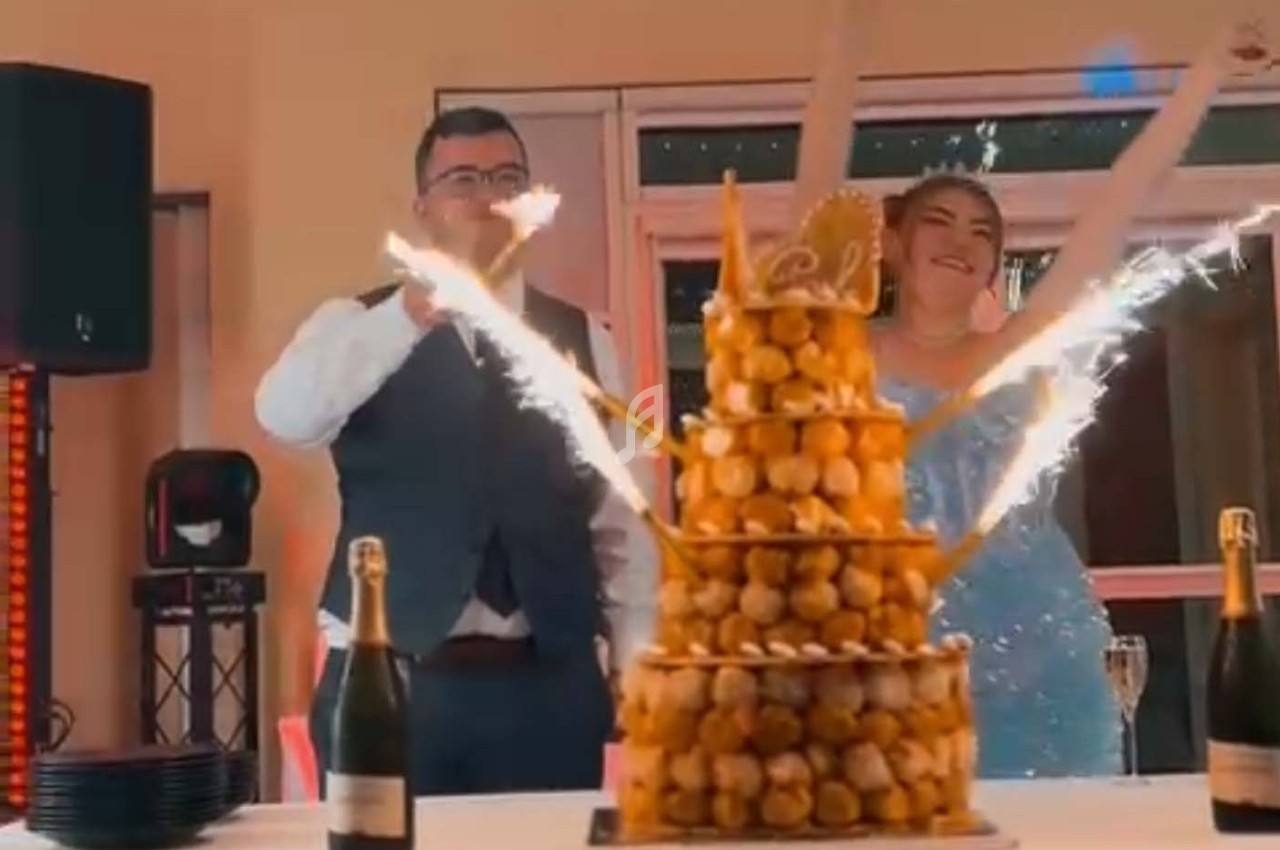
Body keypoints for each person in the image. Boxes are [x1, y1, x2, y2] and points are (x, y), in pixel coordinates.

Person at [867, 21, 1272, 778]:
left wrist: (1206, 75)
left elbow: (1120, 200)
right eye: (940, 221)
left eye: (983, 231)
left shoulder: (1022, 349)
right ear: (894, 242)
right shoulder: (845, 358)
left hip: (1045, 667)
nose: (963, 241)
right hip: (894, 678)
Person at [255, 106, 655, 795]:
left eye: (507, 177)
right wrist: (409, 313)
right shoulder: (355, 324)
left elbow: (618, 523)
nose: (486, 196)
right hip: (389, 690)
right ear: (424, 207)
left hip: (551, 689)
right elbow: (285, 415)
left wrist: (638, 667)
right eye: (463, 178)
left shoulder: (586, 337)